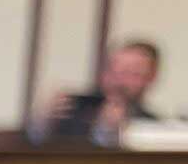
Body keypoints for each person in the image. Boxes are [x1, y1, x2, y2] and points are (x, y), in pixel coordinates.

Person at [33, 40, 162, 146]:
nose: (118, 80)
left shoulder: (151, 125)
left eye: (131, 73)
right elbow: (38, 141)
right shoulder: (74, 109)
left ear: (151, 77)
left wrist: (113, 132)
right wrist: (42, 121)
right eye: (113, 70)